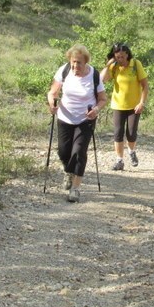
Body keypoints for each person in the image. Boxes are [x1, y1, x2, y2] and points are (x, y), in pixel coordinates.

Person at [47, 45, 107, 202]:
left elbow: (102, 99)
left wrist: (96, 110)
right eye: (73, 62)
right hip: (65, 117)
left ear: (86, 62)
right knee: (63, 152)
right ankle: (69, 172)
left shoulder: (94, 75)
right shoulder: (64, 71)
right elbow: (53, 92)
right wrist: (52, 104)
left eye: (79, 63)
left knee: (79, 152)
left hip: (85, 119)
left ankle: (75, 188)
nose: (75, 66)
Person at [101, 42, 149, 170]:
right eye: (117, 57)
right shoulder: (114, 66)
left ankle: (131, 151)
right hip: (118, 105)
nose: (120, 59)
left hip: (134, 106)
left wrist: (142, 103)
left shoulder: (135, 64)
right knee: (118, 133)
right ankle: (119, 160)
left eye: (122, 56)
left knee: (131, 133)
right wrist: (108, 65)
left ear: (127, 54)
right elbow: (102, 80)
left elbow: (145, 85)